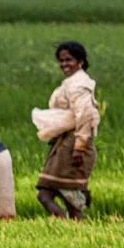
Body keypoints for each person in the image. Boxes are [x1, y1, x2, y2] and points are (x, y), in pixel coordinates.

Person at [37, 41, 100, 221]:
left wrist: (79, 147)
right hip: (66, 141)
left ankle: (65, 226)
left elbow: (85, 115)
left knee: (47, 194)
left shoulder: (79, 84)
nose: (64, 64)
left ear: (80, 61)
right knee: (65, 194)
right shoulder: (71, 82)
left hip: (74, 142)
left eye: (69, 60)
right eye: (61, 60)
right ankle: (72, 227)